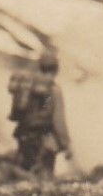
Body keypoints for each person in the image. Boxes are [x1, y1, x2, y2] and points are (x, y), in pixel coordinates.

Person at [8, 49, 72, 178]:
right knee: (43, 179)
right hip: (44, 140)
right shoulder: (53, 89)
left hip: (23, 136)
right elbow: (58, 121)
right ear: (56, 69)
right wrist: (66, 145)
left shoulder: (29, 86)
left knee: (25, 176)